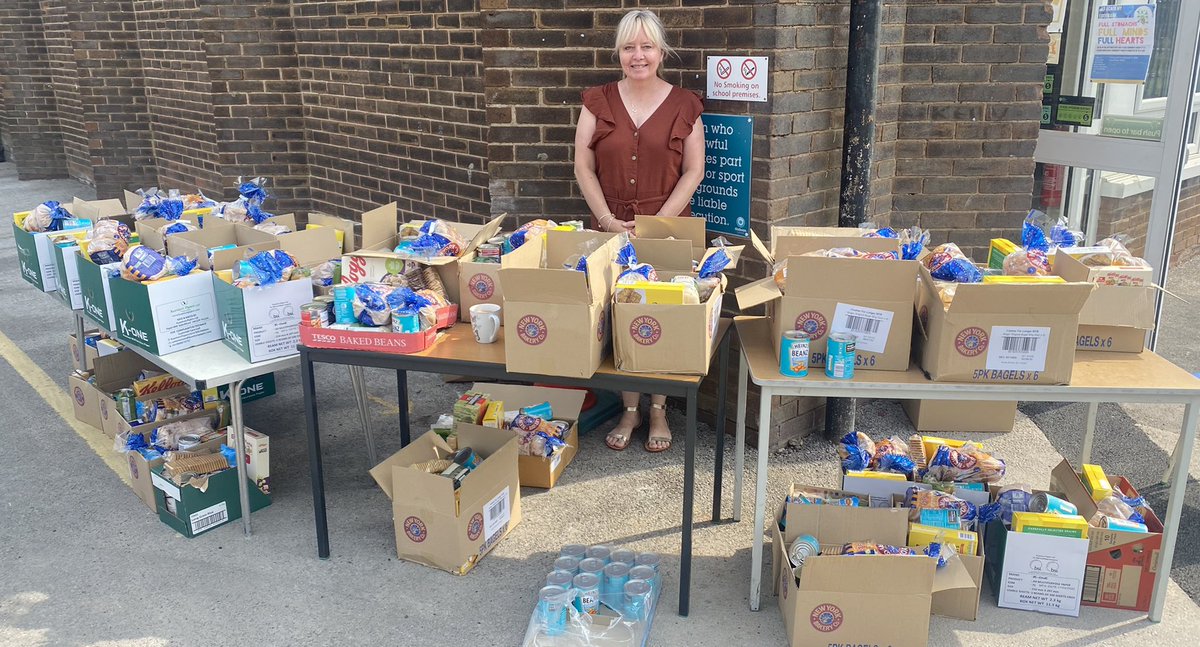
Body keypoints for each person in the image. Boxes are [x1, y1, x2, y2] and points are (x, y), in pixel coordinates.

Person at [574, 9, 704, 453]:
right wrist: (610, 222)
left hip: (666, 231)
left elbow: (694, 171)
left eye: (647, 46)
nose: (638, 55)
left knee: (661, 316)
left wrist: (656, 227)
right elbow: (583, 167)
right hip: (610, 229)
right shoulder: (597, 101)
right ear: (618, 53)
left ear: (661, 51)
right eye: (629, 46)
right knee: (618, 314)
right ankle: (630, 409)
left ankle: (658, 410)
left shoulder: (685, 104)